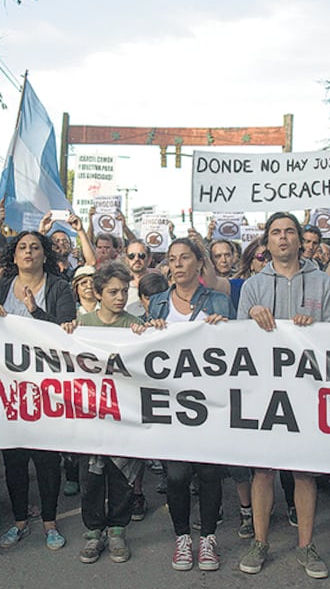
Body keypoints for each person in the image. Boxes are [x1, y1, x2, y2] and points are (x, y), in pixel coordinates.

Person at [237, 211, 330, 579]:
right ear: (267, 242)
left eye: (290, 232)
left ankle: (306, 545)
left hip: (307, 390)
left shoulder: (323, 284)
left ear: (300, 240)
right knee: (263, 470)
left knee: (304, 472)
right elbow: (237, 341)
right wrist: (251, 313)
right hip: (264, 390)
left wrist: (315, 330)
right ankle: (261, 542)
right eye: (276, 233)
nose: (283, 238)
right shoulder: (252, 286)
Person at [0, 231, 75, 553]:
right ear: (14, 255)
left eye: (34, 247)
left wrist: (35, 311)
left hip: (46, 388)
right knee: (14, 459)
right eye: (22, 247)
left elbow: (66, 333)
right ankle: (20, 521)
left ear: (44, 254)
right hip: (8, 389)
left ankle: (50, 522)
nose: (28, 252)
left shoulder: (60, 287)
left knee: (47, 458)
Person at [145, 239, 232, 572]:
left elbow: (238, 349)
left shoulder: (220, 301)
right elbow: (143, 346)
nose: (177, 264)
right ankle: (182, 537)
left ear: (199, 263)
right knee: (177, 475)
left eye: (184, 258)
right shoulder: (157, 303)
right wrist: (145, 330)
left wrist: (224, 329)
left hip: (210, 401)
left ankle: (208, 538)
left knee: (210, 473)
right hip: (171, 403)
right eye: (171, 259)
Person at [62, 263, 147, 565]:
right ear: (97, 293)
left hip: (124, 416)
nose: (120, 297)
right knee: (92, 477)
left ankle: (117, 529)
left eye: (124, 291)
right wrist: (67, 333)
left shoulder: (135, 324)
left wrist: (146, 335)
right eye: (113, 291)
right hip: (91, 416)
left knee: (122, 475)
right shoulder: (81, 325)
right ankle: (94, 531)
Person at [124, 239, 154, 318]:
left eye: (141, 255)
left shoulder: (158, 283)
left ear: (149, 259)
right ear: (126, 259)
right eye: (131, 256)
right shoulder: (120, 284)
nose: (136, 259)